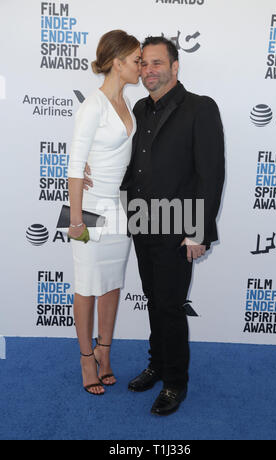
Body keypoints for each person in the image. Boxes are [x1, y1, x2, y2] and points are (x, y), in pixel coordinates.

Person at [85, 36, 225, 413]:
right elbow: (129, 165)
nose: (148, 70)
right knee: (153, 301)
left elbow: (210, 175)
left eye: (157, 63)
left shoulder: (201, 108)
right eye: (143, 63)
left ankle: (175, 382)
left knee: (170, 305)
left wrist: (199, 231)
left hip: (179, 227)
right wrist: (90, 171)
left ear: (175, 67)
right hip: (141, 222)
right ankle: (158, 364)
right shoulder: (139, 110)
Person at [68, 30, 141, 395]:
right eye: (136, 60)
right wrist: (76, 220)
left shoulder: (127, 104)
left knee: (111, 284)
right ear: (117, 62)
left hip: (119, 210)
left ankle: (104, 351)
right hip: (90, 211)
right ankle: (85, 359)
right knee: (86, 287)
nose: (141, 66)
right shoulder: (92, 106)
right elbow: (75, 168)